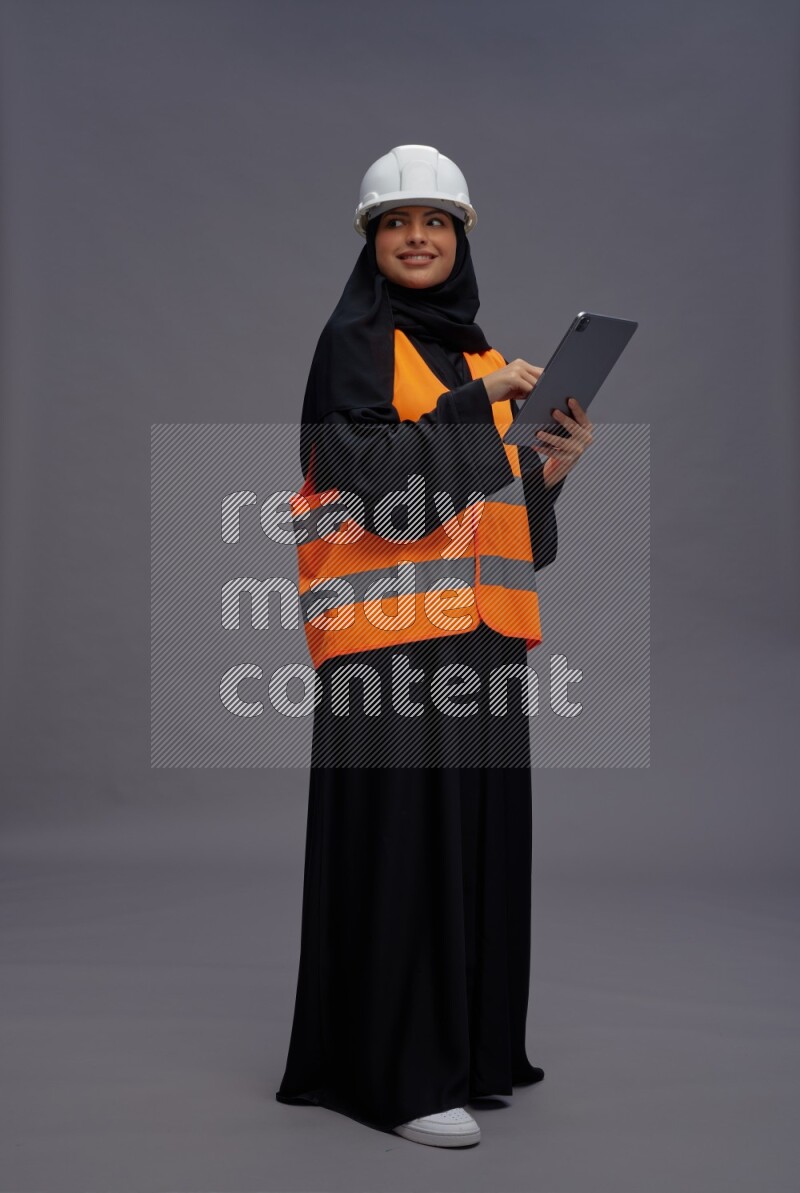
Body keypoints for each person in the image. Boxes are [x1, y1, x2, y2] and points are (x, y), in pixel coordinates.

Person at [275, 145, 593, 1148]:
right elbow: (365, 472)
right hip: (387, 643)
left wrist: (550, 467)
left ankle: (469, 1052)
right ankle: (399, 1075)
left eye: (437, 221)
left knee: (474, 845)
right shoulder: (354, 341)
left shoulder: (472, 353)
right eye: (396, 220)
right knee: (407, 854)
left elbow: (500, 523)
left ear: (459, 241)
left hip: (479, 636)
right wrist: (485, 403)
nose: (417, 234)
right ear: (371, 241)